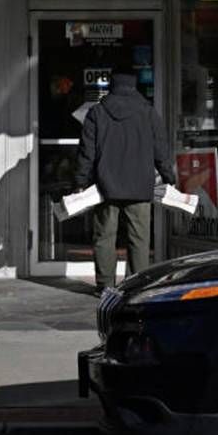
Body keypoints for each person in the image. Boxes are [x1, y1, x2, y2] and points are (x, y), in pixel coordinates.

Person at [74, 66, 176, 294]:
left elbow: (86, 151)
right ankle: (137, 285)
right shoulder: (148, 112)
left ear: (112, 86)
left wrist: (81, 179)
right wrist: (169, 175)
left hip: (105, 186)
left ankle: (105, 285)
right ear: (133, 87)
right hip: (140, 185)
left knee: (104, 236)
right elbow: (161, 148)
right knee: (139, 238)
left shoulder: (97, 113)